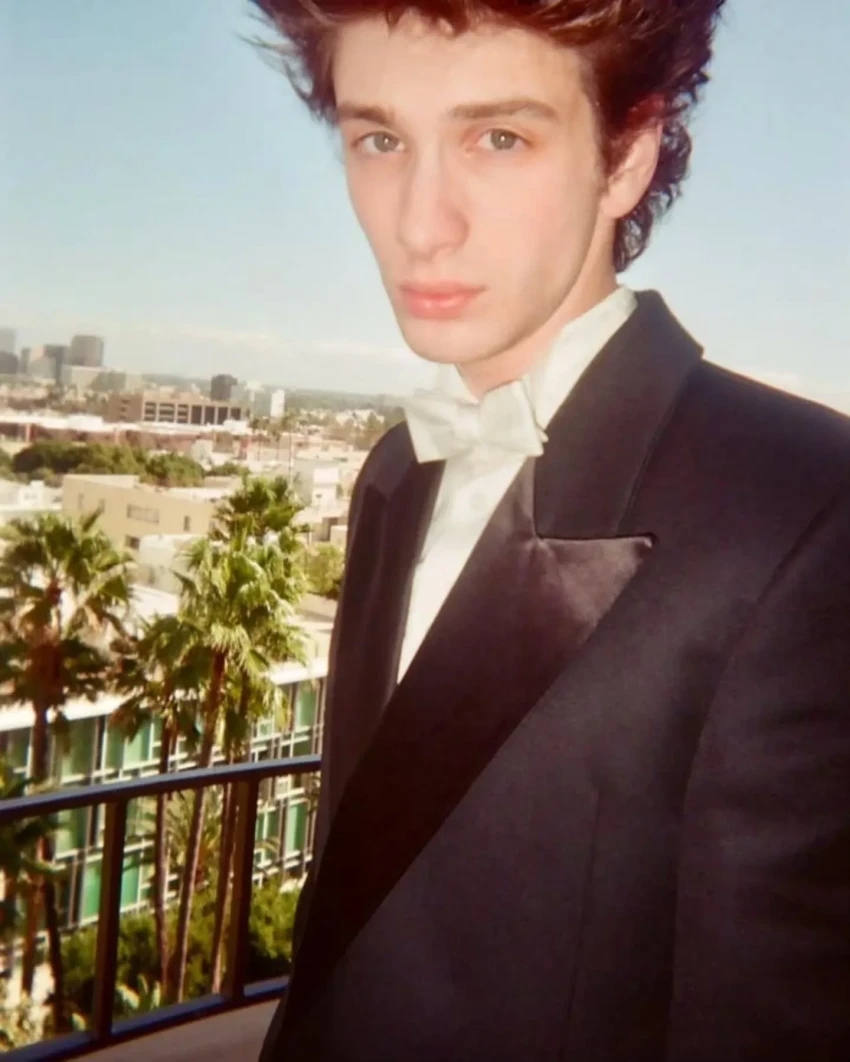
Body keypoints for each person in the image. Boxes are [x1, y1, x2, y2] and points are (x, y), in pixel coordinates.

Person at [255, 2, 850, 1059]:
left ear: (625, 157)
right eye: (380, 139)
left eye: (498, 138)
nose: (420, 223)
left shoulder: (808, 506)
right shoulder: (397, 470)